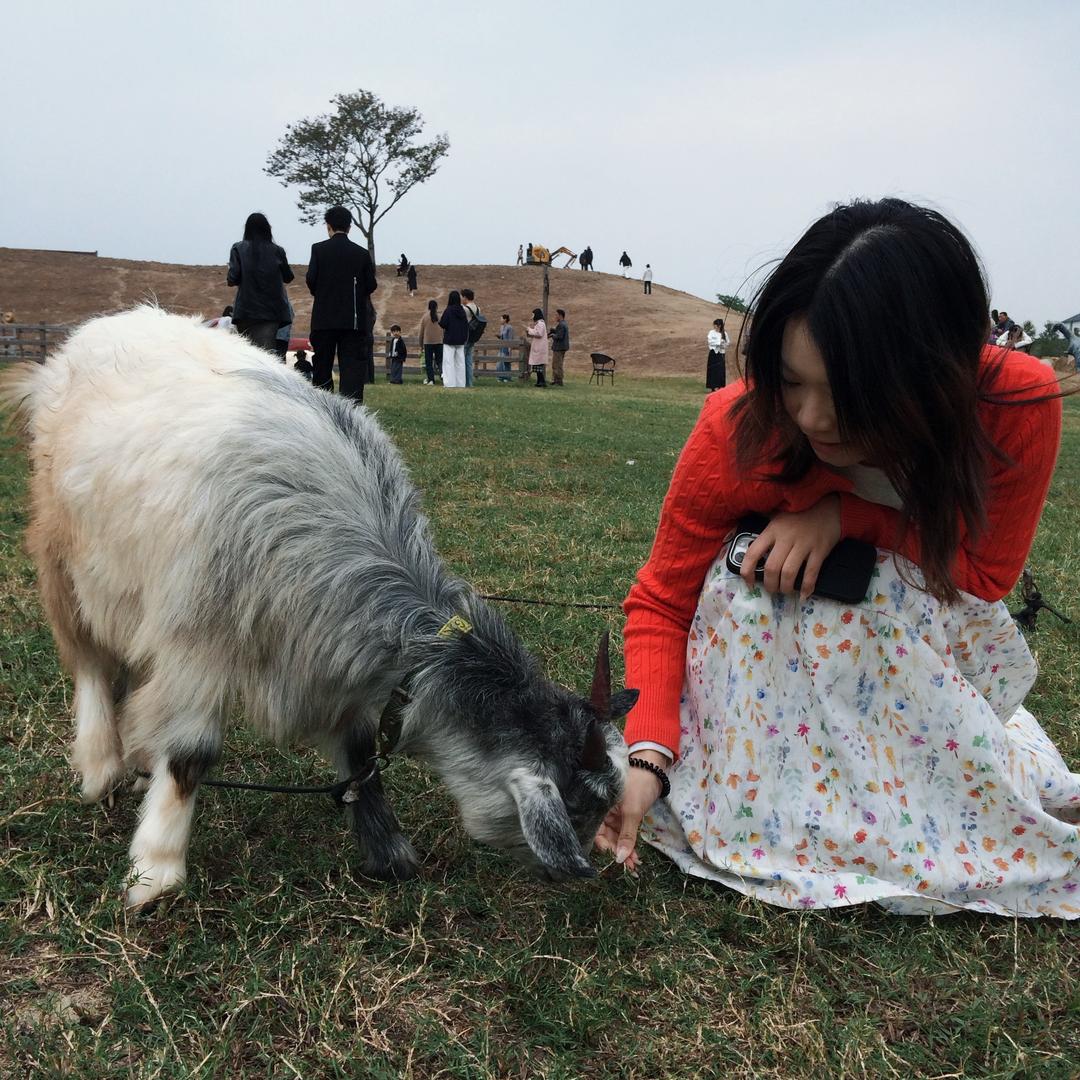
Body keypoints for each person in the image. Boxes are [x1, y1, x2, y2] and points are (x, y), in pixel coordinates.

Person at [596, 197, 1080, 918]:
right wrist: (648, 759)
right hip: (765, 690)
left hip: (918, 672)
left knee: (879, 588)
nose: (814, 418)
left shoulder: (1013, 403)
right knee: (758, 578)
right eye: (792, 380)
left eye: (852, 394)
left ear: (936, 376)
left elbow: (983, 575)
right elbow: (664, 597)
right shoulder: (739, 426)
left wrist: (845, 516)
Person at [305, 206, 378, 403]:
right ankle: (351, 409)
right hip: (352, 321)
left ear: (328, 226)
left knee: (322, 367)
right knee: (352, 368)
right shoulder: (361, 254)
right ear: (350, 227)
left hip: (323, 319)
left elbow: (311, 280)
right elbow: (371, 284)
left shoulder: (318, 250)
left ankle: (323, 408)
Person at [227, 213, 294, 351]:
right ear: (267, 229)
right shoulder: (278, 251)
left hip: (245, 310)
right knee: (266, 351)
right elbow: (288, 277)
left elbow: (232, 279)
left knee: (248, 351)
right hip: (272, 311)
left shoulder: (238, 248)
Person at [439, 290, 469, 388]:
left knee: (448, 362)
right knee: (460, 363)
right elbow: (466, 325)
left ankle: (449, 383)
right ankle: (460, 383)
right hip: (460, 340)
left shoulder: (448, 310)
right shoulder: (462, 310)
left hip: (449, 340)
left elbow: (443, 323)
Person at [418, 300, 443, 385]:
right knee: (440, 360)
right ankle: (442, 374)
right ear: (436, 307)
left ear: (428, 306)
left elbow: (421, 333)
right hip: (439, 342)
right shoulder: (440, 316)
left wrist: (420, 345)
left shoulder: (425, 317)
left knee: (428, 362)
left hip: (428, 342)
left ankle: (431, 380)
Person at [462, 288, 480, 388]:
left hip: (466, 336)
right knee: (469, 362)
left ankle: (463, 382)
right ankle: (469, 383)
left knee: (462, 361)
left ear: (465, 297)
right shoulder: (478, 308)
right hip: (473, 337)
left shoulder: (465, 309)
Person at [525, 308, 549, 387]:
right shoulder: (538, 323)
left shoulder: (541, 323)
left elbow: (539, 333)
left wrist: (530, 329)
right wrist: (529, 331)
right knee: (537, 366)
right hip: (538, 348)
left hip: (540, 349)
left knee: (539, 367)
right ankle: (539, 381)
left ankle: (542, 382)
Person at [706, 317, 729, 391]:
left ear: (719, 325)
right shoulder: (711, 332)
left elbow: (727, 343)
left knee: (720, 370)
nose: (714, 327)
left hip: (721, 353)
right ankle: (712, 386)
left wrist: (723, 343)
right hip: (713, 353)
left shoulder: (724, 333)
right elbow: (710, 341)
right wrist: (718, 343)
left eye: (715, 325)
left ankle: (720, 386)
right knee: (712, 369)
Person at [549, 308, 569, 386]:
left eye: (556, 315)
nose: (555, 317)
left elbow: (559, 336)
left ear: (560, 316)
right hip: (561, 348)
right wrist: (554, 331)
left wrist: (552, 335)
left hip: (559, 348)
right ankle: (556, 380)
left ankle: (558, 381)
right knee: (557, 364)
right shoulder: (564, 324)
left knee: (557, 365)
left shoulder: (561, 325)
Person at [497, 313, 514, 382]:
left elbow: (510, 338)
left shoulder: (509, 327)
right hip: (501, 347)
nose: (500, 320)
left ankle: (507, 377)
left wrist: (510, 349)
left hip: (506, 347)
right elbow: (502, 336)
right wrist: (498, 336)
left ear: (505, 319)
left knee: (506, 362)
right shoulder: (501, 327)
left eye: (501, 319)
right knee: (499, 362)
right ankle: (500, 377)